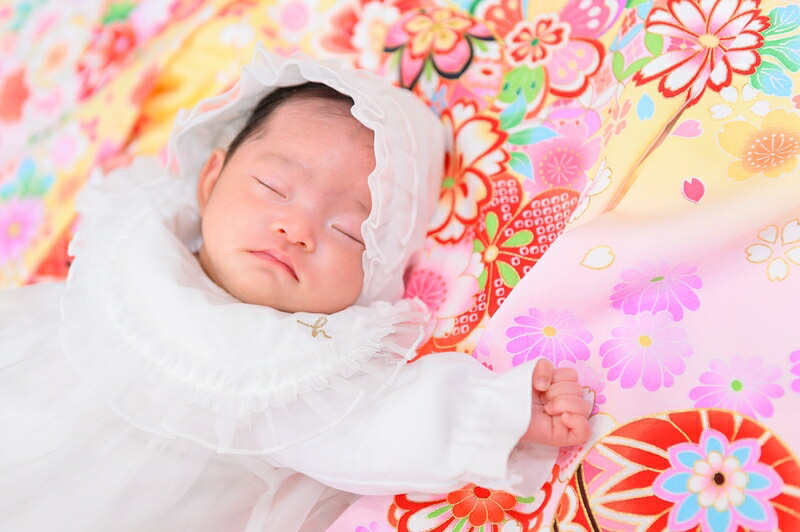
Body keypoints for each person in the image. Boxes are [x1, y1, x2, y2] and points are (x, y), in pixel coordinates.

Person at [0, 49, 591, 531]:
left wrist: (508, 413)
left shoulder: (300, 370)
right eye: (272, 186)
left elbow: (383, 427)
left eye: (346, 231)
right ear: (210, 180)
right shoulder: (132, 246)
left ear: (377, 275)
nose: (296, 227)